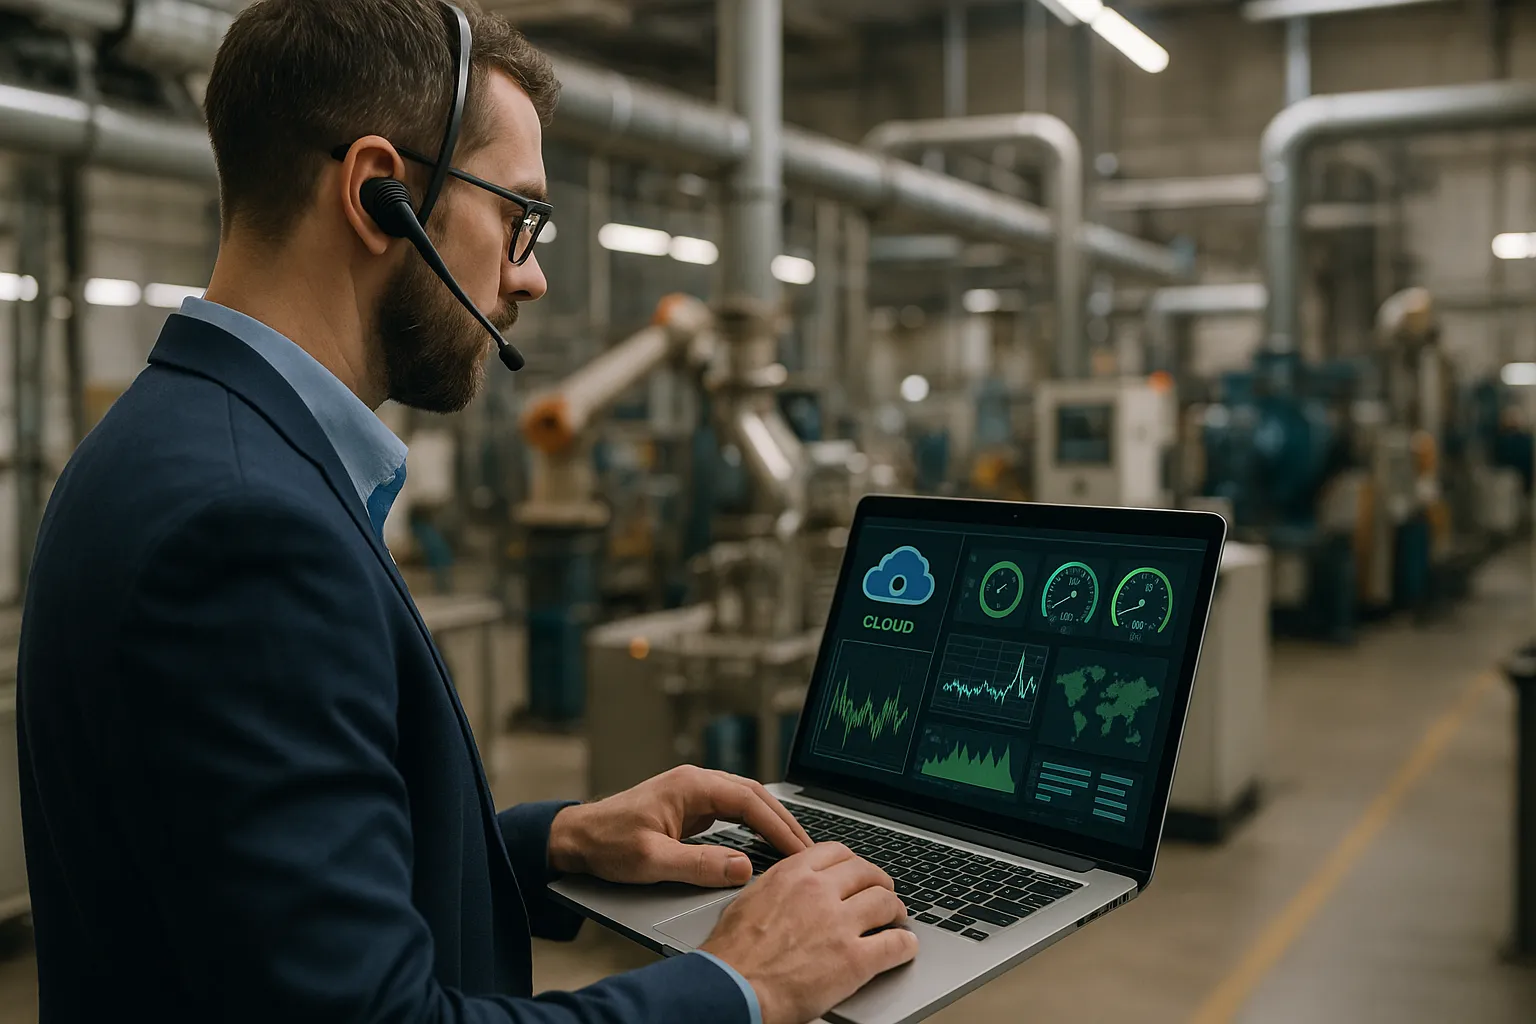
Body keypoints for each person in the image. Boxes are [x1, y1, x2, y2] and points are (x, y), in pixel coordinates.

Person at [14, 2, 917, 1022]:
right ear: (378, 194)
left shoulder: (174, 441)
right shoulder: (244, 528)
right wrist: (743, 983)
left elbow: (249, 910)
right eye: (518, 217)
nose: (530, 274)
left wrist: (549, 843)